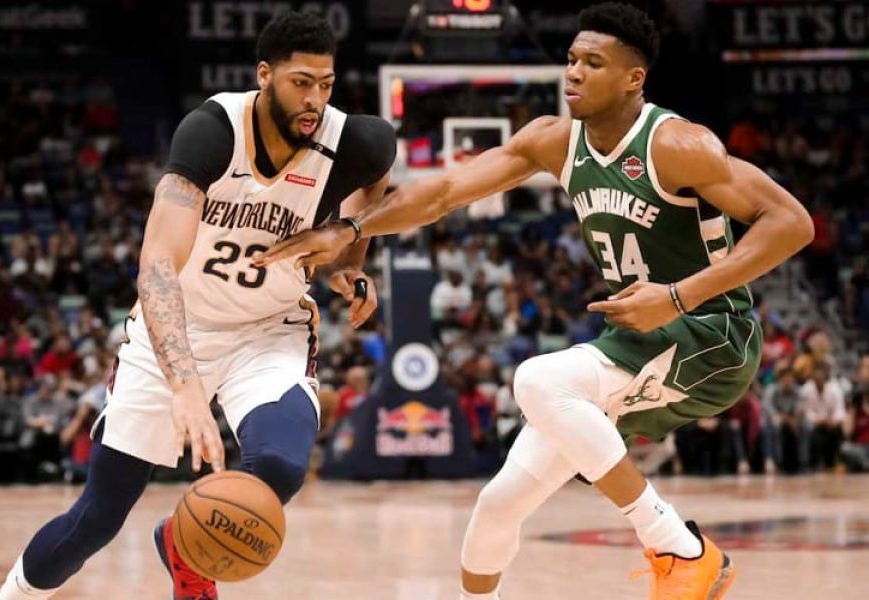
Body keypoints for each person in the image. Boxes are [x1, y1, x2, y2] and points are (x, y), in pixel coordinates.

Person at [255, 3, 814, 598]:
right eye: (571, 59)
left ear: (633, 78)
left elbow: (792, 223)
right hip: (636, 340)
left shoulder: (676, 144)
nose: (573, 72)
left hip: (711, 335)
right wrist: (351, 230)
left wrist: (678, 296)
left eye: (593, 63)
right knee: (496, 506)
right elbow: (442, 191)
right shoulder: (552, 141)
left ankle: (679, 549)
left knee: (539, 381)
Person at [0, 12, 394, 600]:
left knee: (279, 469)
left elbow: (373, 190)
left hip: (269, 330)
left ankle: (183, 549)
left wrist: (349, 260)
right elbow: (157, 264)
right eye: (300, 82)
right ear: (265, 76)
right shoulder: (212, 131)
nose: (315, 98)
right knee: (97, 519)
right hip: (176, 329)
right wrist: (184, 385)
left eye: (326, 84)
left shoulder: (357, 141)